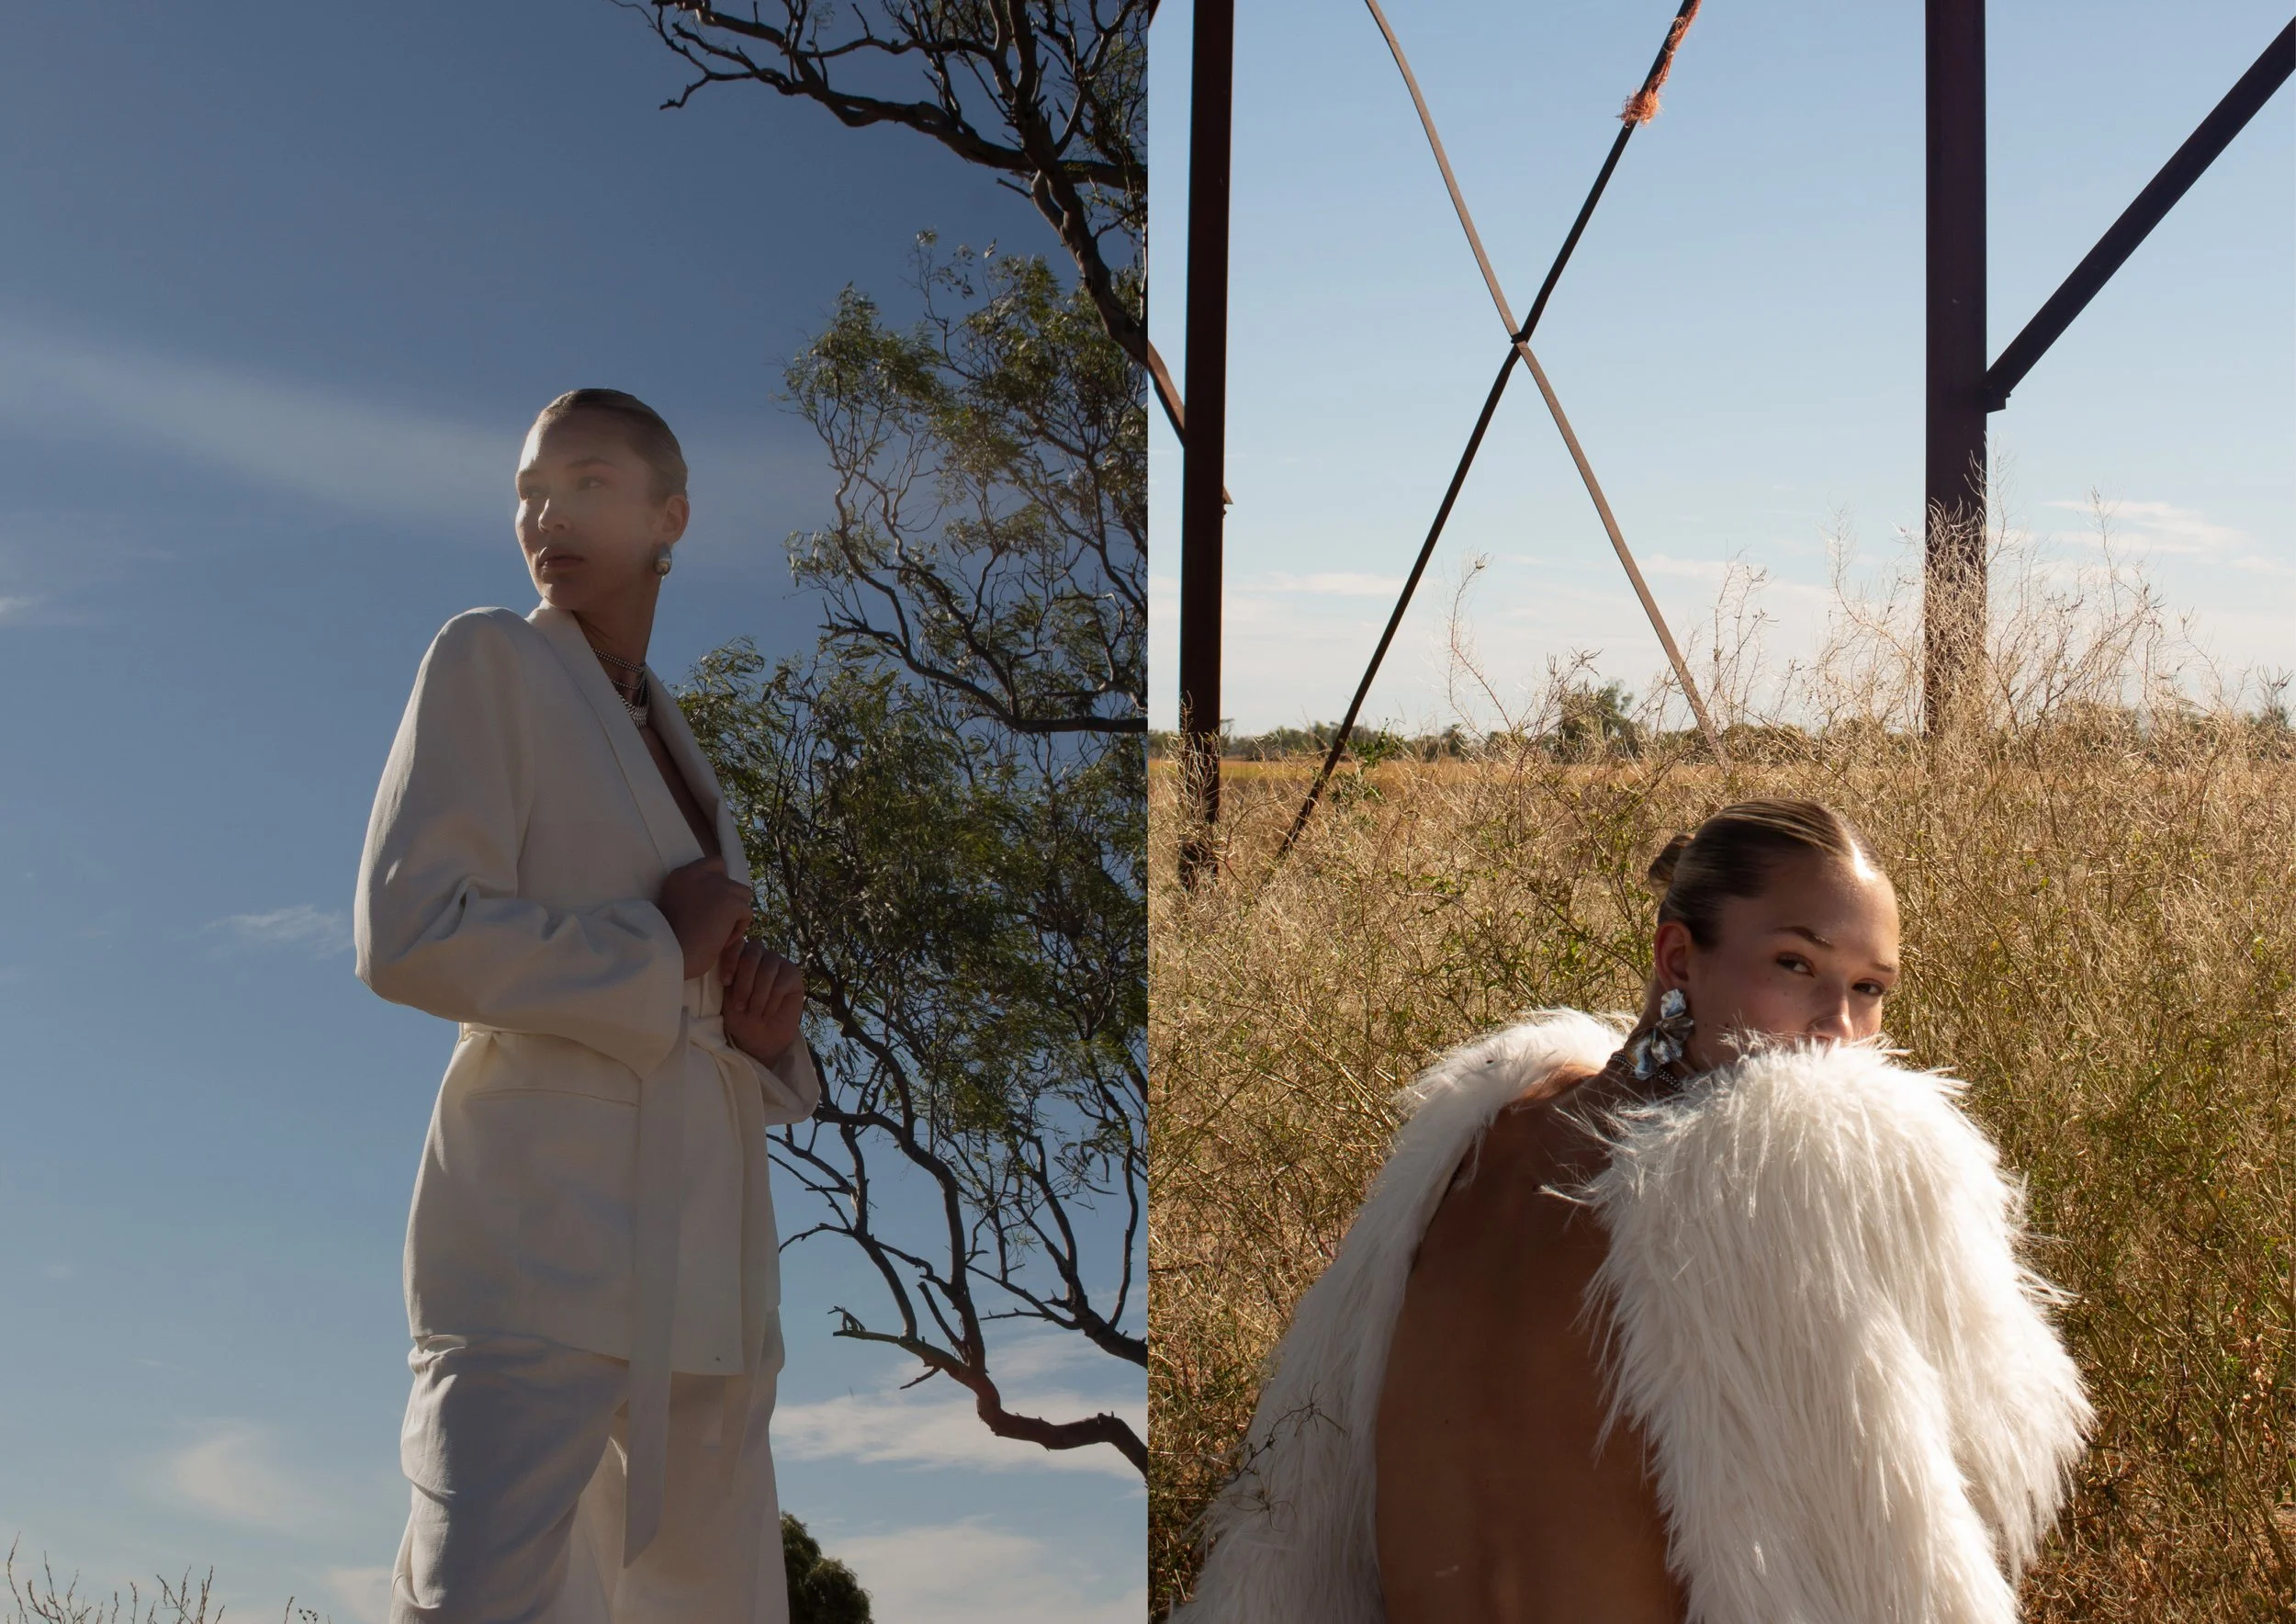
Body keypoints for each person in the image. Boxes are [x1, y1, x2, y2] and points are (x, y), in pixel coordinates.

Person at [1172, 801, 2092, 1624]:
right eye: (1794, 963)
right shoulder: (1790, 1171)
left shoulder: (1475, 1140)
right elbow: (1951, 1486)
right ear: (1678, 955)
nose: (1836, 1028)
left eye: (1868, 987)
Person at [355, 389, 821, 1623]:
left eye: (590, 484)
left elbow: (688, 1010)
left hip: (708, 1280)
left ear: (671, 517)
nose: (547, 513)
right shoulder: (487, 659)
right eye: (530, 490)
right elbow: (407, 931)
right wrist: (652, 949)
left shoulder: (680, 749)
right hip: (533, 1254)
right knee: (475, 1605)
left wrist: (766, 1044)